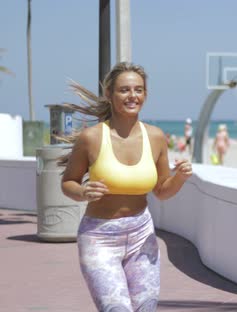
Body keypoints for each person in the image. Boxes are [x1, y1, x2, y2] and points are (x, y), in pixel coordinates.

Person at [60, 62, 192, 312]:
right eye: (124, 90)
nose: (133, 96)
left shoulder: (155, 137)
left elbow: (162, 191)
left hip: (141, 233)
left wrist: (180, 178)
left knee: (145, 308)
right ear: (109, 94)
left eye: (139, 90)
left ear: (146, 94)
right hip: (100, 237)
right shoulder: (92, 138)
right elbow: (68, 183)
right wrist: (82, 192)